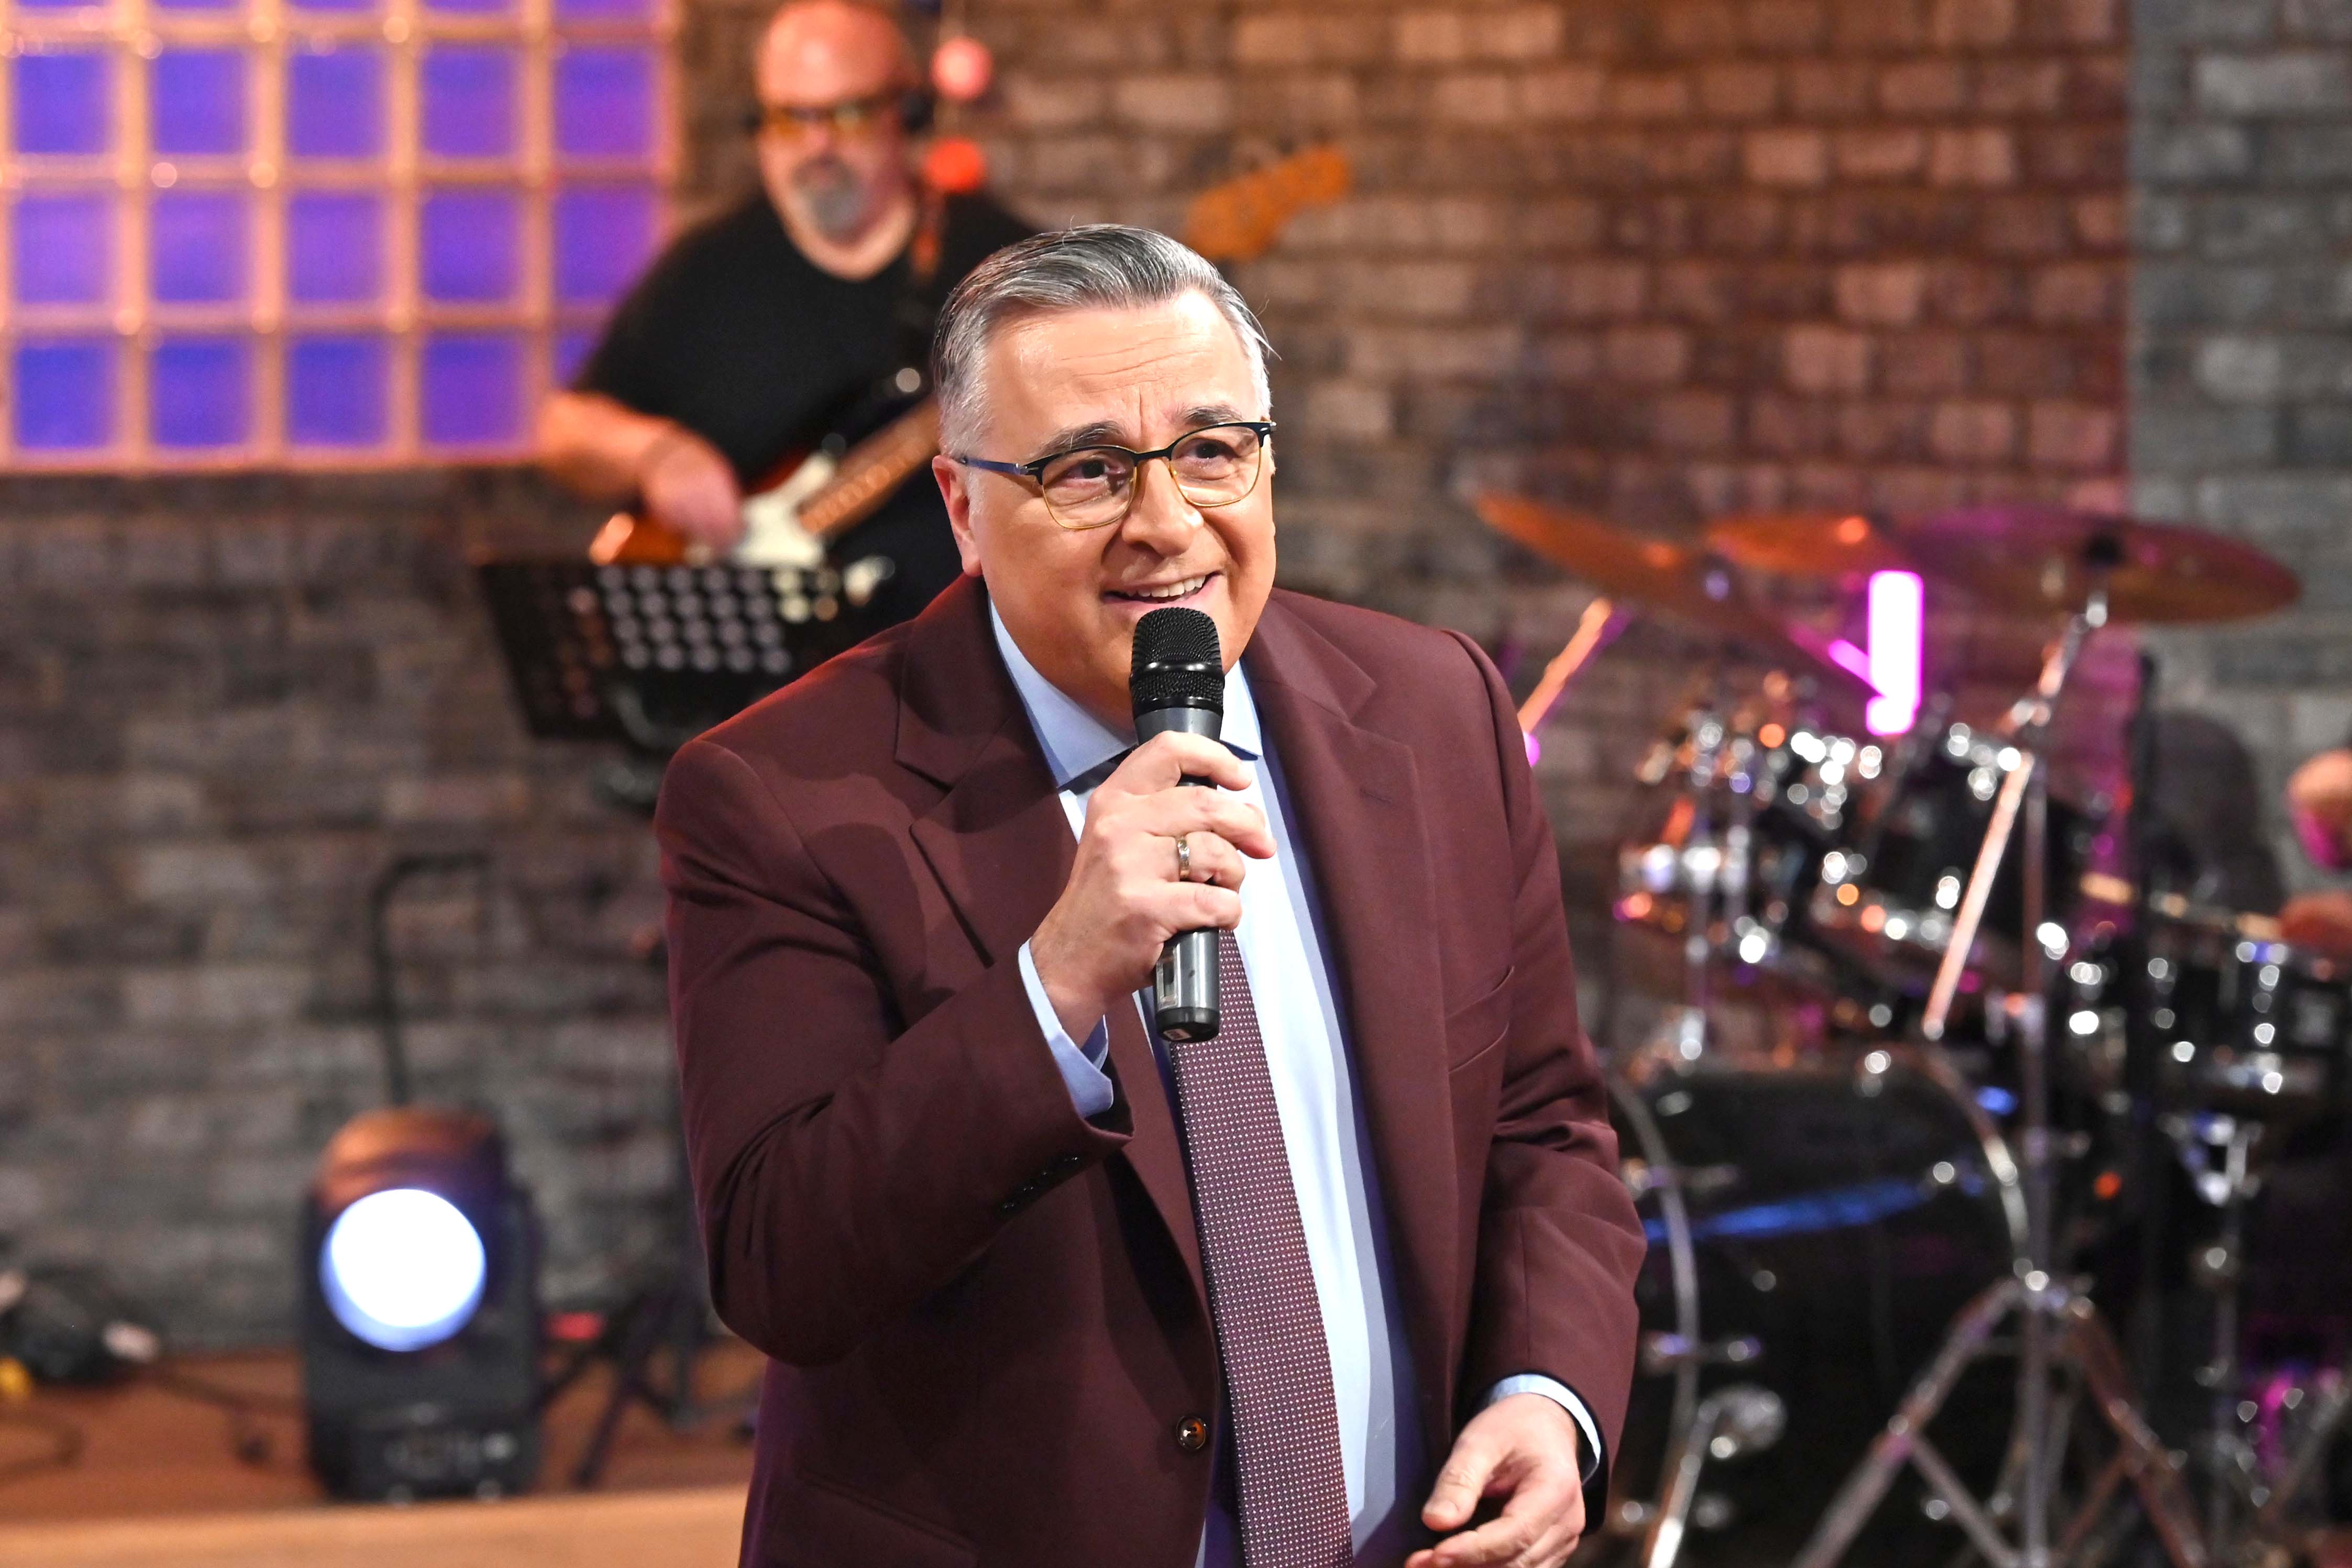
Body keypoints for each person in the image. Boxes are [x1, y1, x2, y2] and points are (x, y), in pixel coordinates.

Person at [656, 225, 1643, 1568]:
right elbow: (783, 1264)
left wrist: (1545, 1389)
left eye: (1211, 451)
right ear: (961, 509)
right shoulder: (781, 791)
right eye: (1086, 471)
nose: (1166, 523)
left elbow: (1541, 1126)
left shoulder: (1433, 710)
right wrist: (1052, 984)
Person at [536, 0, 1030, 622]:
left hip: (950, 654)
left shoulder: (1012, 270)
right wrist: (657, 453)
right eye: (791, 119)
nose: (818, 145)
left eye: (846, 114)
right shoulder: (707, 268)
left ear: (907, 115)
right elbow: (565, 427)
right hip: (752, 659)